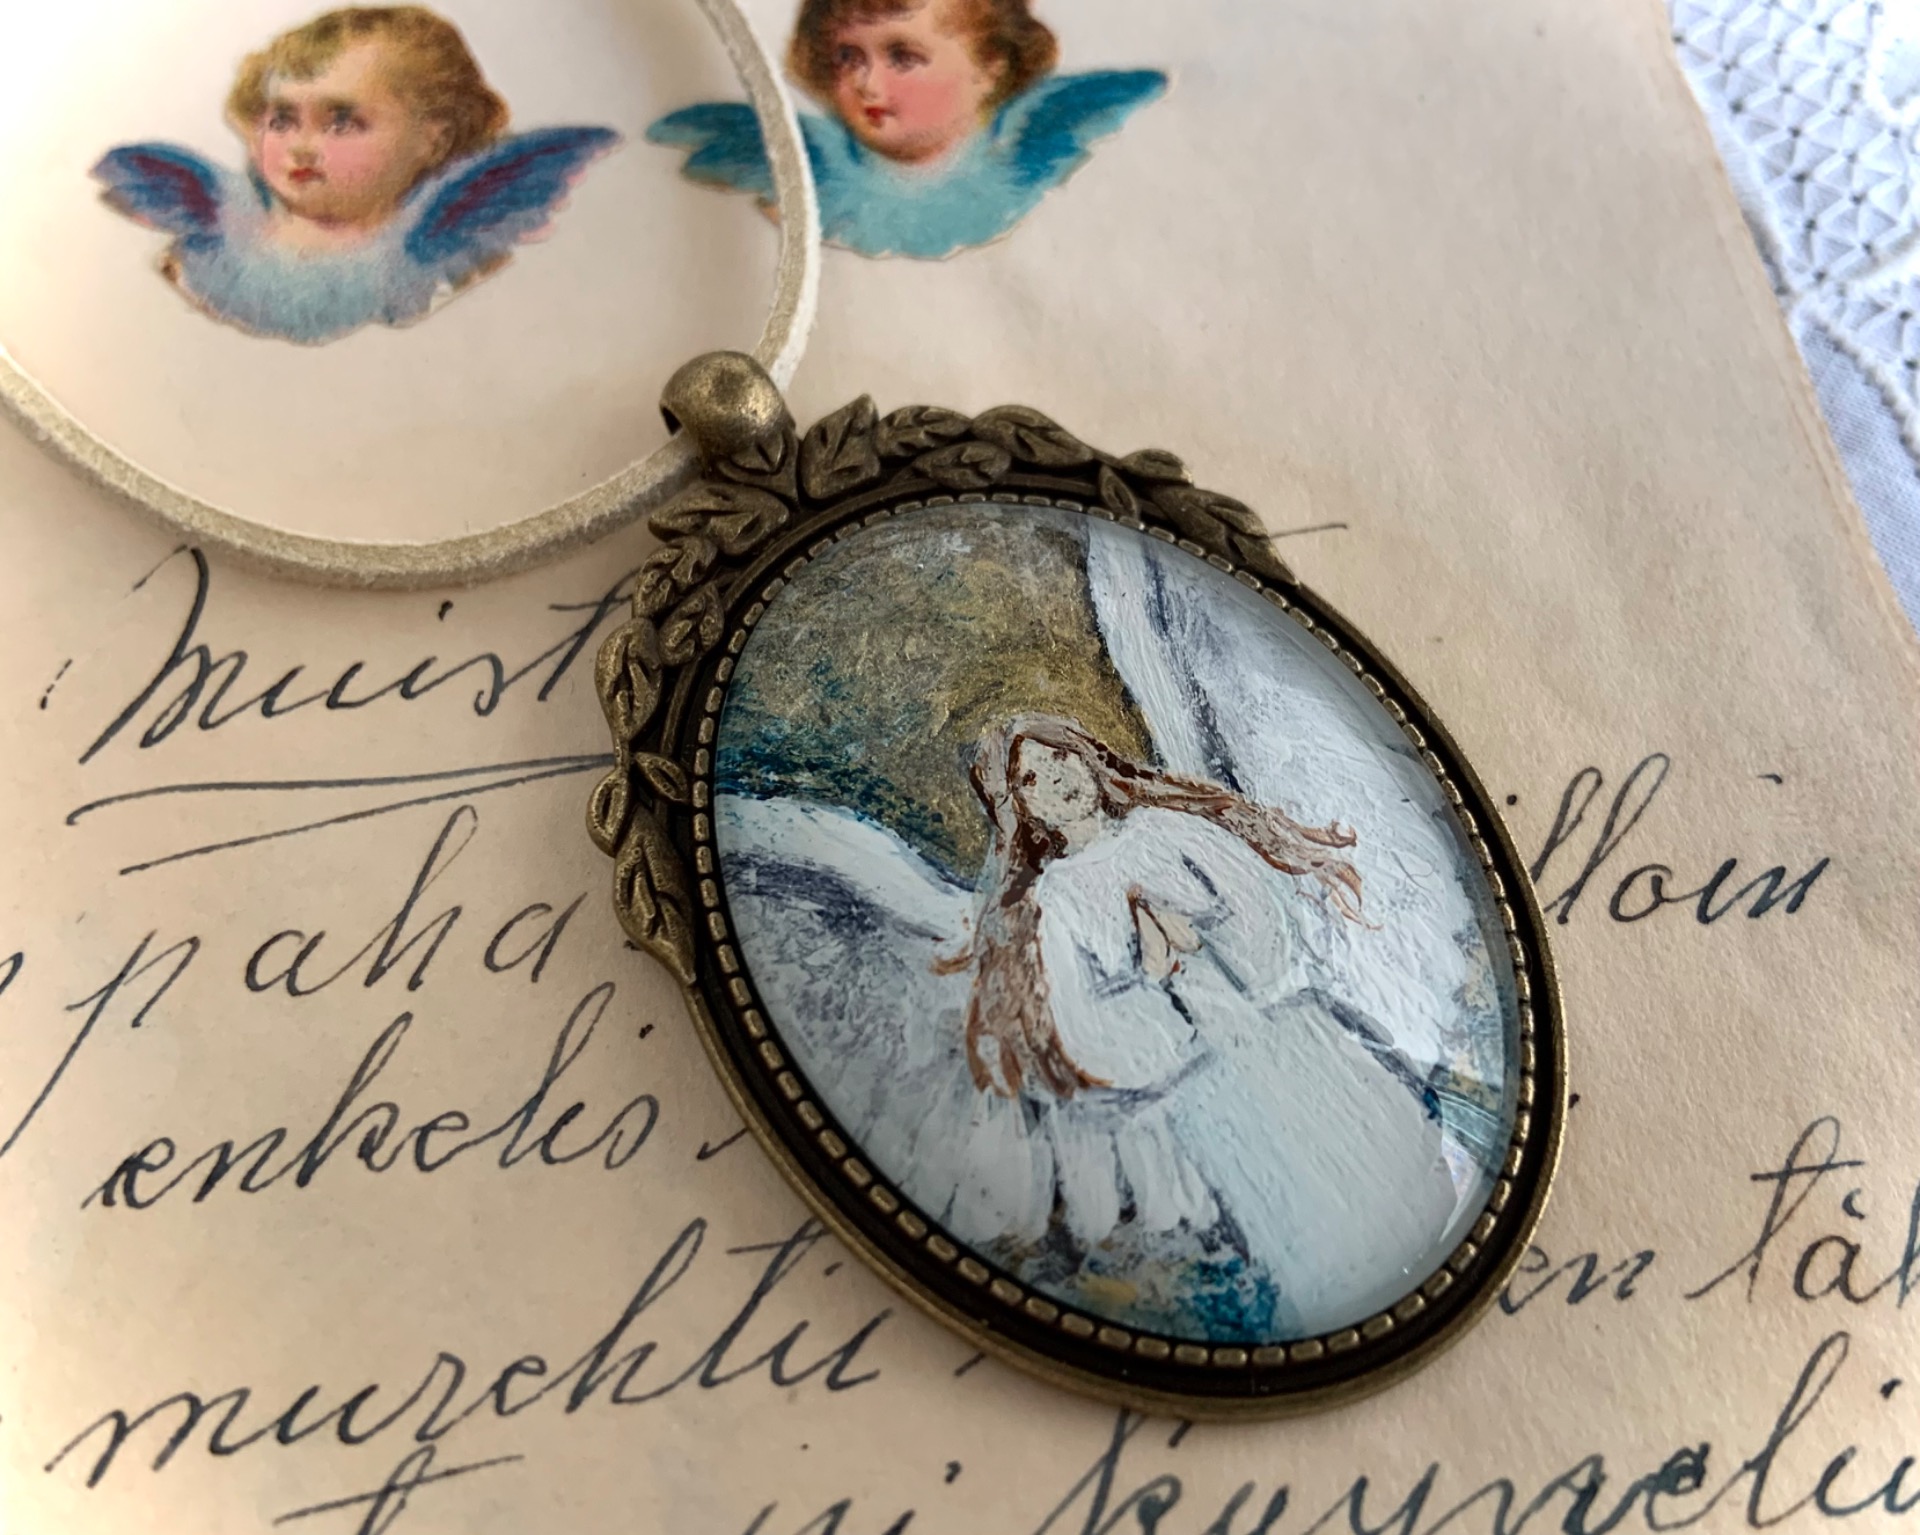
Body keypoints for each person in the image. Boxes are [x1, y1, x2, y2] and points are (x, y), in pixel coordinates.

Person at [92, 7, 619, 344]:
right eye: (282, 119)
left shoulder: (433, 266)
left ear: (432, 139)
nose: (301, 145)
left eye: (341, 122)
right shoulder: (213, 249)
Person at [648, 0, 1167, 258]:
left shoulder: (1021, 156)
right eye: (848, 57)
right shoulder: (812, 167)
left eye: (903, 56)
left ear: (991, 67)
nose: (868, 84)